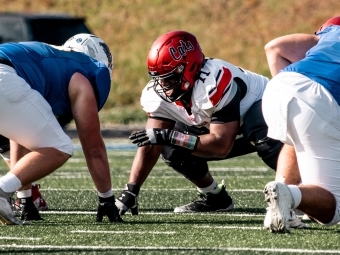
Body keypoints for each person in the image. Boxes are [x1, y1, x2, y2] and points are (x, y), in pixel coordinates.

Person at [114, 30, 284, 216]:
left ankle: (302, 191)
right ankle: (215, 198)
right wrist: (131, 189)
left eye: (169, 78)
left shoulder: (214, 81)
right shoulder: (159, 95)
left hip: (271, 117)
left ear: (189, 68)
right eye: (159, 79)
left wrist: (170, 136)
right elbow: (152, 141)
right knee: (170, 147)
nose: (163, 86)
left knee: (257, 126)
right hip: (226, 130)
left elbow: (221, 146)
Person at [0, 33, 122, 225]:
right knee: (61, 147)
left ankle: (11, 194)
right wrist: (106, 199)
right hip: (3, 76)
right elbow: (94, 148)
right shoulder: (81, 73)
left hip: (6, 74)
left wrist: (24, 199)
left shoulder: (47, 57)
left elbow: (20, 136)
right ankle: (2, 190)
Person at [262, 16, 340, 233]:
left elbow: (274, 48)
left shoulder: (331, 33)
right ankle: (289, 195)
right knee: (333, 209)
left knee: (297, 137)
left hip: (279, 87)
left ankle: (280, 206)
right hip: (321, 97)